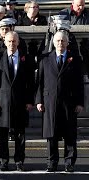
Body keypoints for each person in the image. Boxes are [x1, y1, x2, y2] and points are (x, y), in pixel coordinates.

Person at [36, 31, 84, 172]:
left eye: (63, 41)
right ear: (53, 42)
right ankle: (52, 162)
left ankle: (69, 162)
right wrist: (39, 101)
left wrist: (80, 102)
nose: (60, 43)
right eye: (57, 41)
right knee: (51, 135)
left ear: (67, 43)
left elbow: (79, 83)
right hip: (50, 103)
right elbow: (39, 82)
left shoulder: (75, 59)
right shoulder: (45, 59)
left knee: (70, 134)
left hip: (69, 103)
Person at [0, 31, 35, 171]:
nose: (11, 44)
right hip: (2, 102)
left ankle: (19, 161)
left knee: (20, 135)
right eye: (9, 41)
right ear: (5, 42)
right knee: (2, 134)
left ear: (18, 42)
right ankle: (3, 161)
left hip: (20, 102)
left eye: (14, 41)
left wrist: (30, 101)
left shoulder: (26, 59)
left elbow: (30, 82)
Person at [0, 18, 27, 141]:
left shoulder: (20, 43)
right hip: (2, 88)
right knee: (1, 116)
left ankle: (12, 131)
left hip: (17, 90)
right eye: (2, 29)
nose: (4, 31)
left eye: (6, 29)